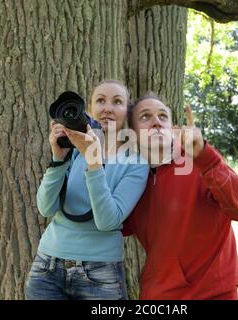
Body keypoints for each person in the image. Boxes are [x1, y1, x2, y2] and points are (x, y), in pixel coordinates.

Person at [123, 92, 238, 300]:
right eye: (145, 117)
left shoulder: (198, 161)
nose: (156, 122)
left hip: (213, 294)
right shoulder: (132, 178)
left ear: (172, 128)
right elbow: (111, 224)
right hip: (159, 295)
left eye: (163, 116)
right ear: (132, 133)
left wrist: (206, 158)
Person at [25, 80, 149, 300]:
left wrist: (93, 161)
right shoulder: (73, 153)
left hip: (100, 273)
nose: (108, 107)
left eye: (117, 102)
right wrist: (58, 159)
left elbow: (107, 221)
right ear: (89, 110)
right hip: (47, 266)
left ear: (127, 114)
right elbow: (45, 208)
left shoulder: (135, 163)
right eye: (100, 100)